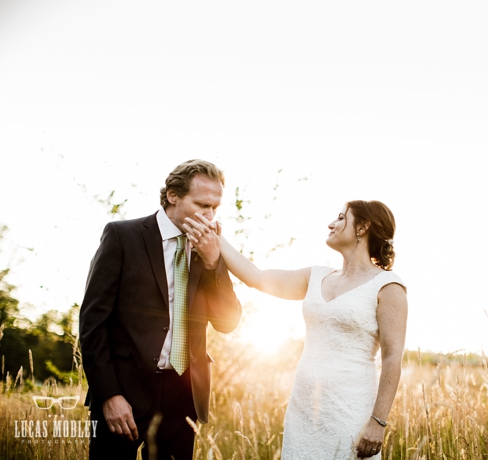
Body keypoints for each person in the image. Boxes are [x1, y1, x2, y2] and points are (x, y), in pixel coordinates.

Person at [193, 199, 406, 459]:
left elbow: (393, 356)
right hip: (304, 413)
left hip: (351, 414)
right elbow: (257, 277)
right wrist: (216, 238)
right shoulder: (315, 276)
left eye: (341, 218)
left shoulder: (388, 286)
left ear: (363, 227)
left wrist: (378, 421)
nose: (332, 223)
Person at [80, 159, 243, 460]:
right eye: (202, 204)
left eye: (215, 208)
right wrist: (109, 395)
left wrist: (212, 263)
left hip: (183, 396)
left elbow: (227, 322)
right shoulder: (122, 236)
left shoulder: (210, 249)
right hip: (125, 391)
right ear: (173, 196)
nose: (209, 216)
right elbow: (93, 323)